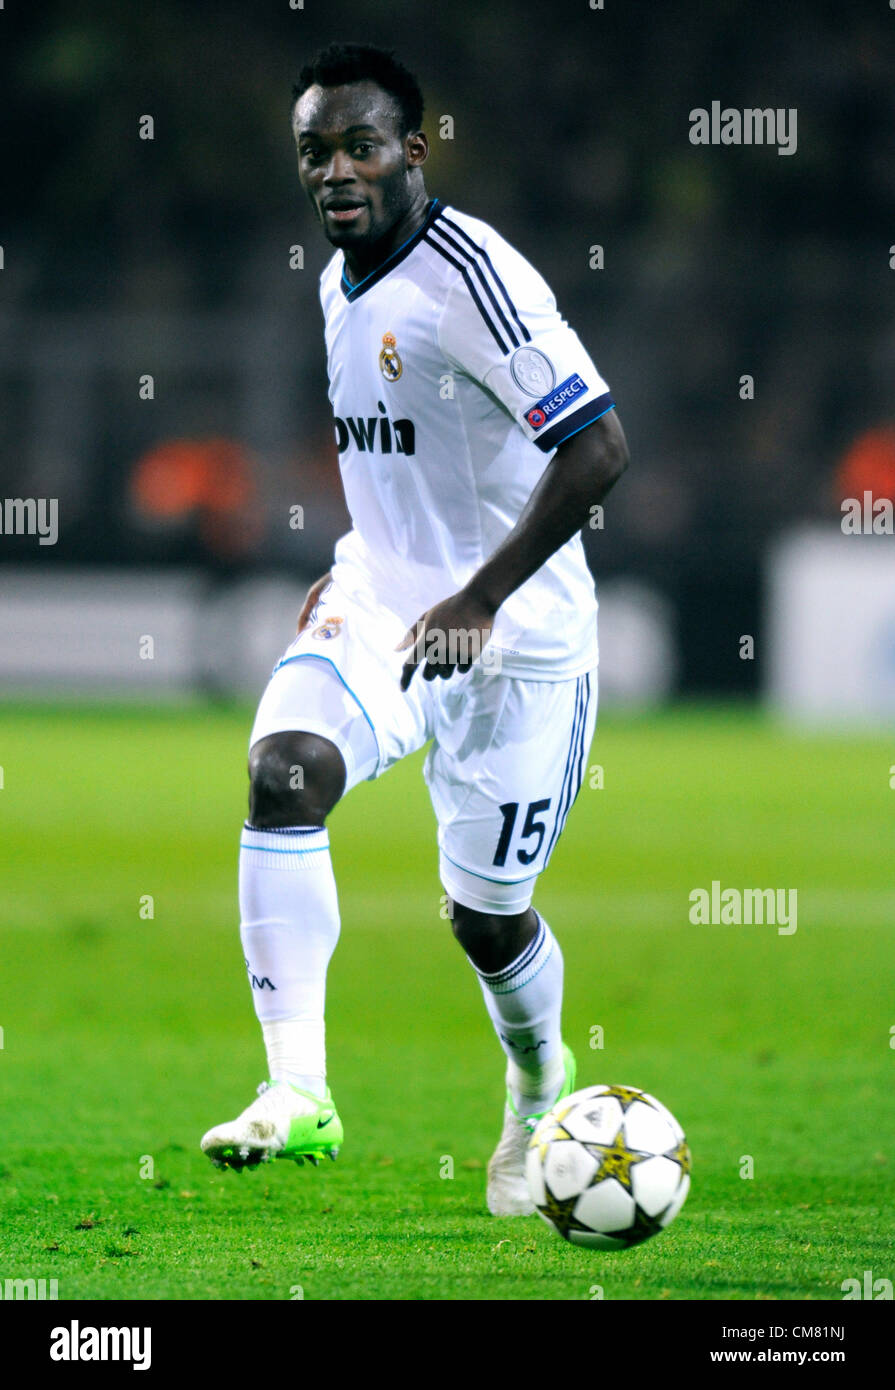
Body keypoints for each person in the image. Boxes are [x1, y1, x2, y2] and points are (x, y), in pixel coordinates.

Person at [200, 42, 629, 1217]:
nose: (335, 170)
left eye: (360, 145)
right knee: (286, 773)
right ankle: (298, 1092)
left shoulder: (475, 281)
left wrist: (479, 596)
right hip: (386, 607)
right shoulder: (337, 278)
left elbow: (598, 449)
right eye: (315, 152)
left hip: (519, 636)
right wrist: (367, 563)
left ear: (413, 152)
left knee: (486, 919)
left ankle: (540, 1079)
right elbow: (399, 449)